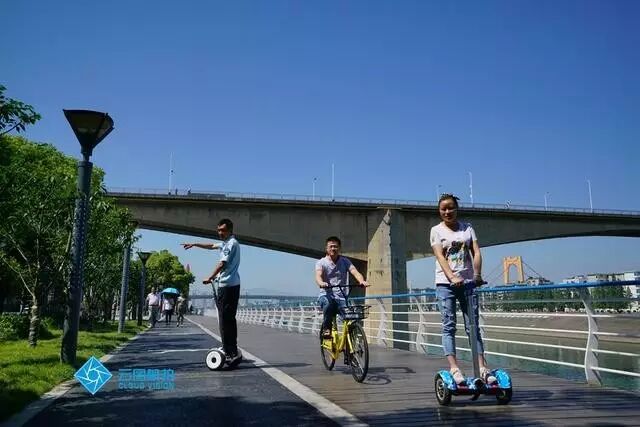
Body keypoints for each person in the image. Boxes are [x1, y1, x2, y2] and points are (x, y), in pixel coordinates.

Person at [430, 193, 496, 384]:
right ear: (439, 211)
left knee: (472, 326)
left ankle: (482, 367)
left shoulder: (468, 228)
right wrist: (452, 277)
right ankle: (454, 368)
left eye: (451, 207)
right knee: (449, 325)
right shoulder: (436, 230)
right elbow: (439, 256)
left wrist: (477, 275)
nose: (447, 212)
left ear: (457, 208)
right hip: (445, 284)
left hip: (468, 283)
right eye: (443, 209)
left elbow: (476, 251)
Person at [182, 218, 242, 364]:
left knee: (224, 321)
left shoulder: (231, 244)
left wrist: (210, 277)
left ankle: (229, 352)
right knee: (228, 319)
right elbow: (211, 246)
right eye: (218, 230)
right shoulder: (227, 243)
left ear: (230, 230)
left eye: (223, 230)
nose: (220, 233)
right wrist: (195, 244)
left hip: (227, 286)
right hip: (231, 285)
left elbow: (222, 263)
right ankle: (231, 349)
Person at [315, 236, 369, 338]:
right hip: (326, 295)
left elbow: (355, 272)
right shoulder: (321, 262)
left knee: (351, 317)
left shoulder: (345, 261)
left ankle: (351, 342)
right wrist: (321, 283)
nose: (333, 249)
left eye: (335, 246)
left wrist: (361, 281)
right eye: (331, 246)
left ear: (339, 248)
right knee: (328, 304)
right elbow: (318, 275)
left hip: (341, 297)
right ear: (326, 248)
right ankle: (326, 329)